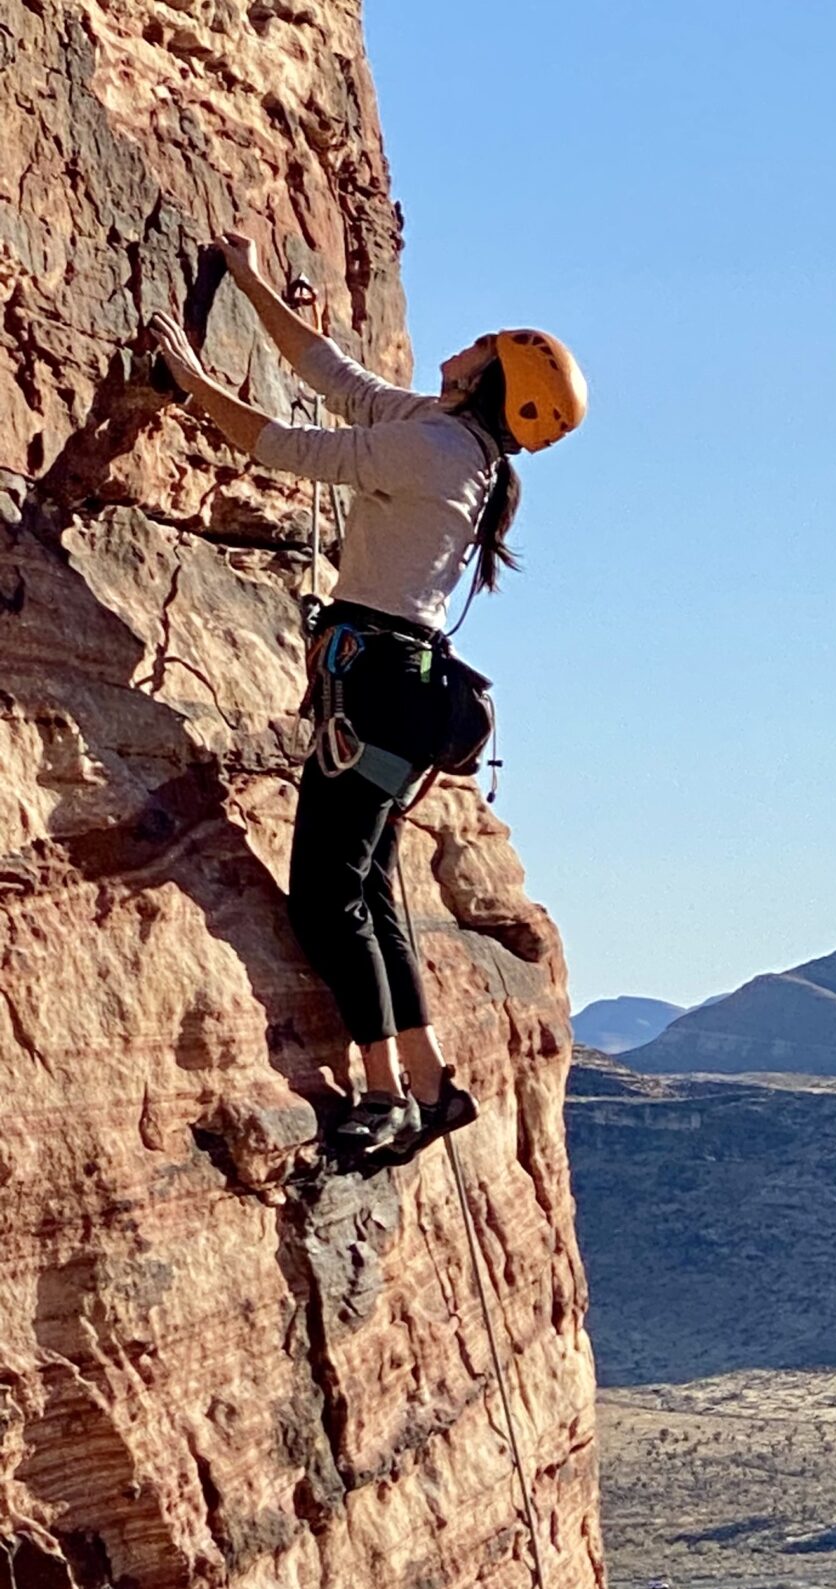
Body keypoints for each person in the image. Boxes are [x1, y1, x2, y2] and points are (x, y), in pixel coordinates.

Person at [149, 235, 587, 1167]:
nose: (465, 346)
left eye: (484, 348)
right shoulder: (447, 437)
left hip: (380, 690)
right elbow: (331, 373)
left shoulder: (432, 450)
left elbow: (282, 446)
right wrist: (250, 281)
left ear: (492, 383)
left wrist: (184, 378)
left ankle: (385, 1094)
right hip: (396, 685)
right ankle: (427, 1082)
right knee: (368, 890)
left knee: (327, 899)